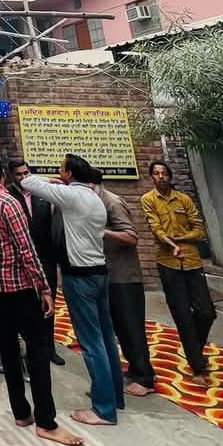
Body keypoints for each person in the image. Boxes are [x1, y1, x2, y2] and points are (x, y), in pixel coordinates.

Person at [0, 154, 82, 446]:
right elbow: (26, 249)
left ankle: (21, 411)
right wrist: (44, 288)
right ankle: (46, 420)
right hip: (20, 284)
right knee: (38, 349)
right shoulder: (9, 203)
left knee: (7, 345)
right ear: (4, 175)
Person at [21, 154, 125, 427]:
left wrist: (55, 183)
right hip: (100, 272)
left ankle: (103, 410)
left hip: (79, 277)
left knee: (91, 343)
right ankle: (114, 396)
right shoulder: (94, 198)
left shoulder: (72, 196)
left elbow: (28, 182)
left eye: (61, 169)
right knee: (105, 337)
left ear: (69, 174)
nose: (59, 171)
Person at [140, 160, 217, 379]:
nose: (161, 177)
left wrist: (179, 239)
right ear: (151, 177)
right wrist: (171, 244)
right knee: (182, 314)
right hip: (168, 262)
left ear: (170, 176)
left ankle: (195, 347)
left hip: (192, 261)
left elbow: (199, 230)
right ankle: (197, 365)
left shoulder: (183, 200)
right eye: (156, 173)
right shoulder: (148, 200)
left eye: (164, 173)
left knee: (206, 312)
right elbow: (155, 228)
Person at [91, 168, 156, 396]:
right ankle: (135, 369)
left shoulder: (112, 202)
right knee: (119, 325)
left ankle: (146, 377)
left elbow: (131, 237)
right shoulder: (96, 202)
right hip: (109, 273)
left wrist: (102, 231)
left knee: (132, 326)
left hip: (125, 276)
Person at [8, 157, 66, 366]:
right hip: (22, 259)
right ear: (11, 176)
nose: (23, 178)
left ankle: (49, 347)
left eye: (26, 173)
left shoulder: (42, 194)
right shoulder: (9, 195)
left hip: (45, 256)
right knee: (25, 304)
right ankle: (30, 347)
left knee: (49, 302)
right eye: (18, 174)